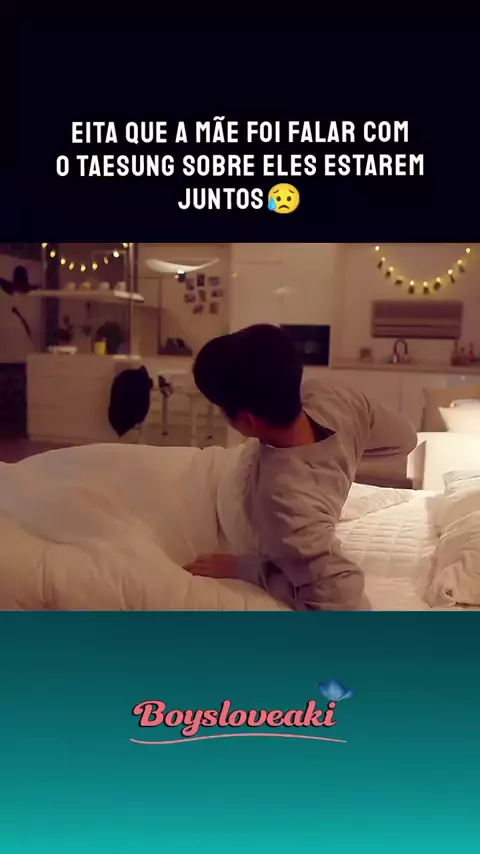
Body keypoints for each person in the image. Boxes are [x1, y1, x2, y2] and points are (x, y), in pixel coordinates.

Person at [185, 324, 417, 611]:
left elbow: (342, 604)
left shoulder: (285, 503)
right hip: (238, 471)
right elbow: (406, 439)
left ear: (248, 421)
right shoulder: (332, 395)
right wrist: (341, 460)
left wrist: (247, 568)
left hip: (229, 500)